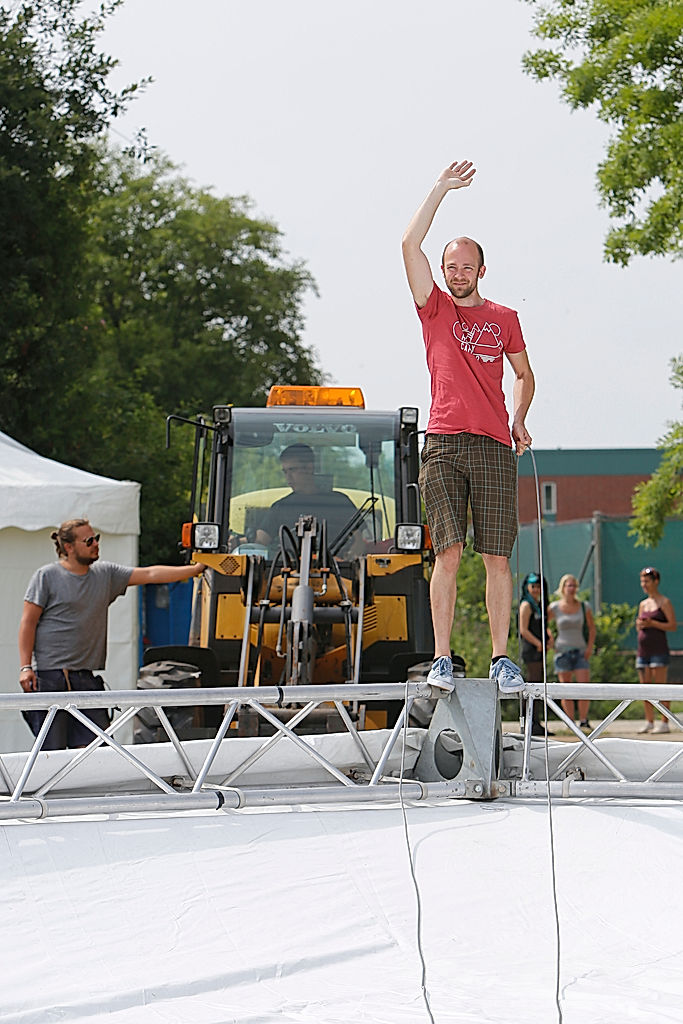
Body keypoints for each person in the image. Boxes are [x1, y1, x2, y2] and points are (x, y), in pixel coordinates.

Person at [402, 159, 535, 694]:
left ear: (482, 270)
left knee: (497, 555)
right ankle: (441, 658)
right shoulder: (432, 309)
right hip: (442, 441)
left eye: (465, 267)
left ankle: (502, 659)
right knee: (448, 552)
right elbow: (408, 245)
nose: (457, 274)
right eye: (449, 266)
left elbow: (524, 374)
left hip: (493, 444)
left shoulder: (503, 318)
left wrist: (519, 418)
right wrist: (440, 190)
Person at [18, 518, 206, 749]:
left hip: (85, 678)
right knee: (51, 753)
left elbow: (149, 574)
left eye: (96, 538)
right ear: (68, 547)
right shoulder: (46, 576)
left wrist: (196, 569)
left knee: (97, 750)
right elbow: (28, 622)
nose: (95, 544)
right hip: (50, 678)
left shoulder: (106, 574)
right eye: (88, 541)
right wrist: (26, 667)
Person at [255, 444, 361, 551]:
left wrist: (353, 554)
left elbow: (360, 542)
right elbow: (259, 543)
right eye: (285, 471)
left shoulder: (340, 503)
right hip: (289, 567)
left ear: (309, 468)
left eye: (292, 470)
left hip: (340, 566)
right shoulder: (280, 507)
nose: (288, 477)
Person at [547, 574, 596, 729]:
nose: (572, 588)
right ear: (563, 588)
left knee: (583, 687)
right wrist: (550, 638)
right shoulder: (554, 607)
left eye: (574, 585)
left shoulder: (584, 606)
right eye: (569, 585)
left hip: (580, 650)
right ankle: (569, 722)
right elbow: (543, 625)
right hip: (562, 650)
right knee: (565, 688)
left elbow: (592, 628)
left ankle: (583, 719)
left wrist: (589, 647)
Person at [636, 566, 677, 734]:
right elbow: (639, 625)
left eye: (647, 581)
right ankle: (649, 721)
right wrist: (640, 625)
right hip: (643, 651)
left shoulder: (664, 602)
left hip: (659, 650)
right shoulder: (643, 604)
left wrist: (653, 624)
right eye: (642, 581)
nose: (644, 584)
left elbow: (672, 625)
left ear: (656, 582)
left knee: (660, 687)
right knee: (644, 687)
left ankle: (664, 722)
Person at [519, 572, 553, 736]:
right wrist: (538, 643)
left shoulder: (540, 604)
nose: (536, 589)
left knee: (539, 684)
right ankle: (529, 721)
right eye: (533, 586)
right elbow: (523, 630)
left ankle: (536, 721)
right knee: (533, 685)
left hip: (540, 649)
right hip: (531, 649)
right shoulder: (526, 605)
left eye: (539, 586)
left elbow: (544, 624)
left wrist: (549, 637)